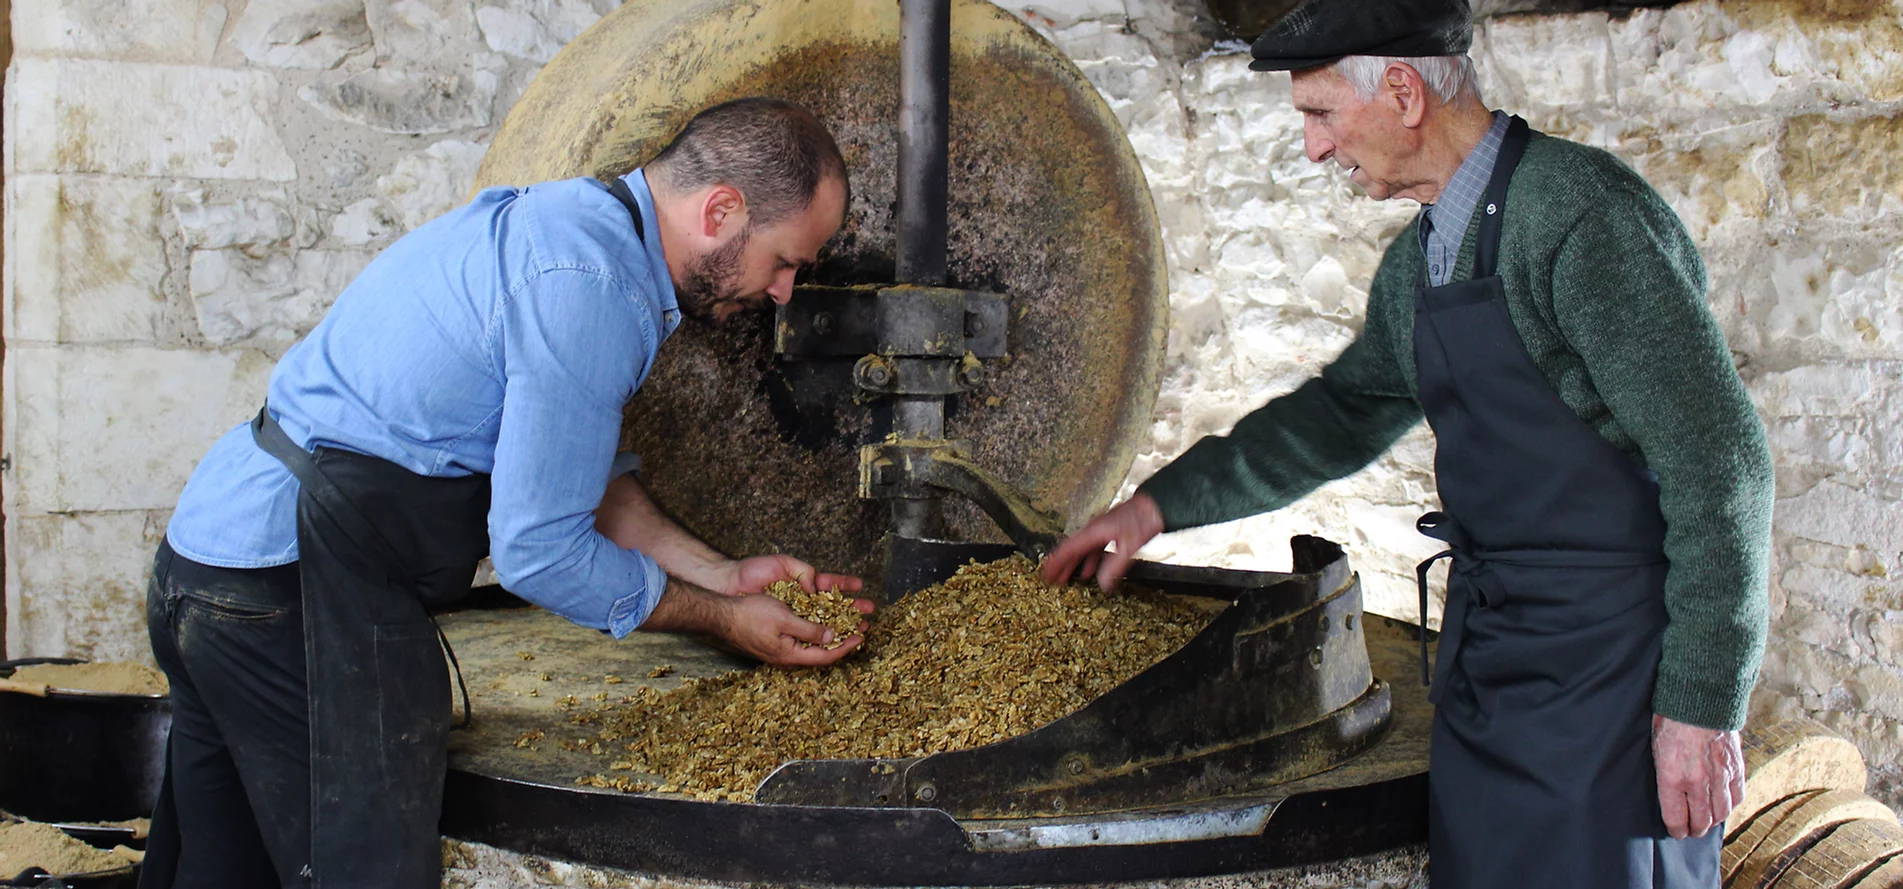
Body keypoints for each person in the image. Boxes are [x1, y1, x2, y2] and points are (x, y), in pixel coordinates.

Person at [1041, 3, 1773, 886]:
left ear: (1401, 90)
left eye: (1319, 113)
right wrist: (1157, 505)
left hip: (1610, 680)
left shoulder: (1582, 220)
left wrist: (1699, 708)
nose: (1314, 146)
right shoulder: (1421, 259)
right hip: (1491, 666)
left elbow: (1720, 464)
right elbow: (1340, 414)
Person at [141, 97, 870, 889]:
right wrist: (723, 619)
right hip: (287, 598)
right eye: (785, 259)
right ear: (720, 210)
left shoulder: (575, 225)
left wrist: (723, 574)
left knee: (220, 872)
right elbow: (539, 551)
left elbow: (579, 482)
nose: (787, 290)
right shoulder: (593, 288)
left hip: (208, 567)